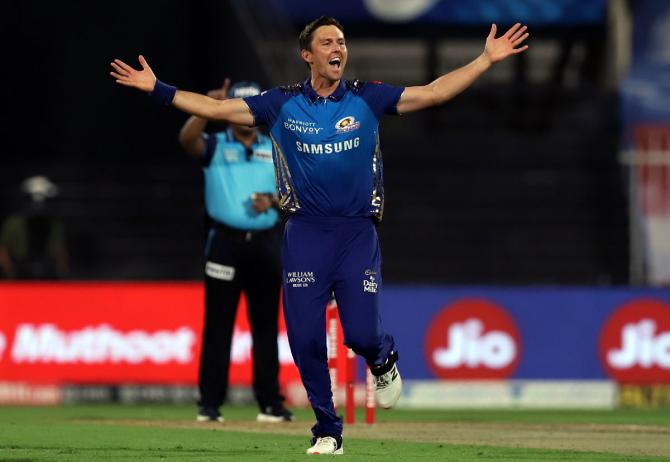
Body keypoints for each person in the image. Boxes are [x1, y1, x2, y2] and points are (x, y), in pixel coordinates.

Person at [110, 16, 529, 454]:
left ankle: (383, 359)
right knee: (306, 340)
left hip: (355, 233)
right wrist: (158, 88)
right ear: (307, 55)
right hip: (305, 234)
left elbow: (435, 92)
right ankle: (328, 428)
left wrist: (485, 59)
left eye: (342, 42)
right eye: (327, 42)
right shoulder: (280, 105)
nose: (338, 48)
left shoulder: (368, 97)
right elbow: (215, 110)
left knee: (362, 336)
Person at [178, 78, 292, 423]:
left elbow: (295, 197)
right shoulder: (214, 145)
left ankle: (270, 403)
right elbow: (186, 140)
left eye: (249, 109)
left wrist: (272, 201)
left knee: (265, 327)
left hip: (266, 245)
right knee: (218, 326)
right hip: (225, 244)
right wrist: (208, 103)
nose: (243, 116)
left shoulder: (275, 149)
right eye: (237, 108)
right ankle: (210, 404)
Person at [0, 175, 68, 280]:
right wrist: (11, 271)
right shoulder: (14, 223)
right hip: (20, 272)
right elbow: (3, 251)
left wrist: (60, 273)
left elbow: (60, 252)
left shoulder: (54, 224)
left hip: (47, 272)